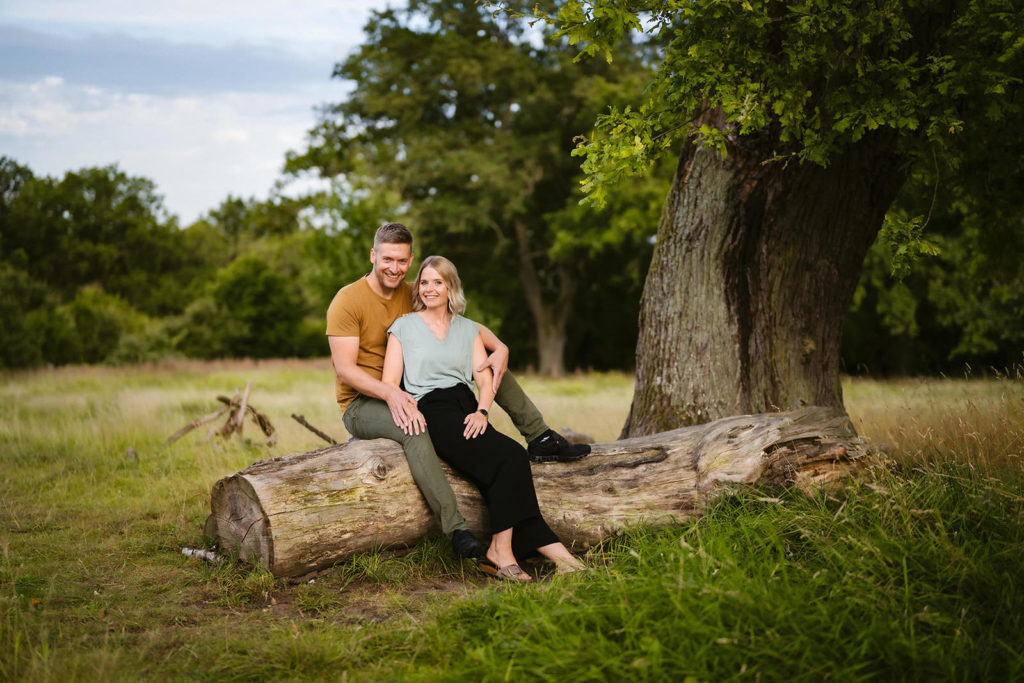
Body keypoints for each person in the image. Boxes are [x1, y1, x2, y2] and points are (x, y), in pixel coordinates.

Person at [326, 222, 589, 561]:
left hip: (406, 386)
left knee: (490, 366)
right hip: (363, 401)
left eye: (403, 261)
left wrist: (498, 345)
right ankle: (457, 529)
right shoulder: (347, 300)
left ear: (410, 260)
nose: (395, 268)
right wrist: (391, 394)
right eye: (388, 259)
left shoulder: (413, 291)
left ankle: (540, 438)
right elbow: (345, 370)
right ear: (373, 255)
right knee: (414, 429)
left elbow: (455, 323)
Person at [383, 255, 585, 581]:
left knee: (504, 480)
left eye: (439, 282)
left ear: (451, 287)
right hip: (432, 410)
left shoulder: (467, 329)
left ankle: (566, 561)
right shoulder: (404, 327)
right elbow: (391, 384)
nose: (430, 288)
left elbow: (484, 379)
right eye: (424, 282)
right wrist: (407, 411)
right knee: (512, 456)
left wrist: (482, 411)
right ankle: (499, 553)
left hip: (466, 407)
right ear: (418, 288)